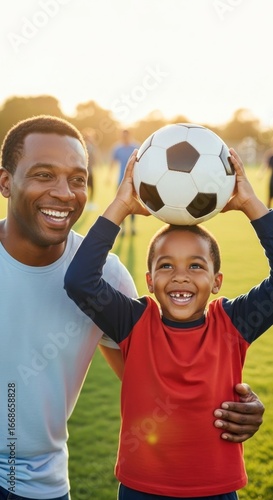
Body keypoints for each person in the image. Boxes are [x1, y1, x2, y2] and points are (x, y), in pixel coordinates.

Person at [65, 148, 272, 500]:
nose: (180, 277)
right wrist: (121, 206)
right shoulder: (134, 322)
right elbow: (80, 282)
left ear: (216, 281)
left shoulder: (233, 323)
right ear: (148, 280)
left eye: (195, 266)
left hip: (217, 491)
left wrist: (252, 204)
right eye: (165, 266)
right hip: (142, 490)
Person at [0, 115, 138, 500]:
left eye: (77, 179)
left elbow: (152, 379)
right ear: (5, 183)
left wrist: (230, 406)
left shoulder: (105, 275)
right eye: (44, 175)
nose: (65, 192)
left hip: (36, 485)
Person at [109, 129, 139, 235]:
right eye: (123, 136)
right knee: (121, 206)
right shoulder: (117, 148)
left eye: (126, 136)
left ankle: (133, 227)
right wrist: (109, 176)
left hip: (133, 182)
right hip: (120, 181)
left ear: (130, 135)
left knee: (133, 205)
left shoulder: (136, 147)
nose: (125, 138)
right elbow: (112, 162)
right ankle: (123, 228)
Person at [82, 127, 98, 210]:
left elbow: (95, 157)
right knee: (85, 187)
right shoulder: (85, 146)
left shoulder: (92, 146)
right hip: (85, 171)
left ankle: (90, 202)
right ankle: (86, 203)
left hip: (90, 170)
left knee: (92, 187)